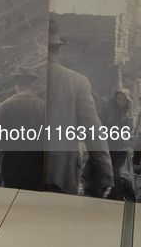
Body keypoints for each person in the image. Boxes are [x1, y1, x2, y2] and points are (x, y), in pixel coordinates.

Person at [45, 20, 114, 197]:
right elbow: (92, 130)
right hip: (60, 172)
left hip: (21, 173)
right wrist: (104, 176)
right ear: (58, 49)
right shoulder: (76, 81)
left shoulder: (26, 79)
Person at [0, 66, 45, 191]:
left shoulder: (5, 106)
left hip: (11, 168)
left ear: (16, 83)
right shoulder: (44, 107)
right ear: (32, 84)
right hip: (37, 168)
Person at [89, 89, 136, 201]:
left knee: (118, 174)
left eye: (124, 99)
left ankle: (119, 199)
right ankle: (105, 199)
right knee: (105, 173)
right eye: (118, 98)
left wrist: (131, 107)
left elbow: (130, 129)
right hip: (108, 146)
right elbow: (99, 124)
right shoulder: (108, 109)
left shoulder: (127, 113)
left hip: (122, 149)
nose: (120, 101)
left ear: (127, 101)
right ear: (115, 98)